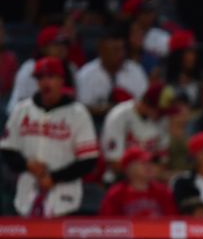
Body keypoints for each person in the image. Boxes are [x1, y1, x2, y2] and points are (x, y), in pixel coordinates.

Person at [0, 57, 98, 217]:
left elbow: (88, 160)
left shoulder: (78, 113)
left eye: (51, 77)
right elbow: (6, 148)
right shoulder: (22, 110)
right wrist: (26, 164)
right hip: (26, 196)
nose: (46, 83)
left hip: (66, 199)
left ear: (61, 80)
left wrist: (55, 177)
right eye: (41, 78)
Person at [101, 82, 174, 178]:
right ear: (147, 104)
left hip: (150, 179)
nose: (163, 116)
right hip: (119, 179)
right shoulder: (119, 116)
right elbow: (114, 163)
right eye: (160, 111)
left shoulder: (161, 120)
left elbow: (163, 161)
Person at [75, 27, 148, 122]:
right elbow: (82, 108)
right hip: (97, 122)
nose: (120, 54)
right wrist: (110, 109)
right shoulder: (86, 74)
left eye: (122, 49)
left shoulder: (135, 70)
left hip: (133, 120)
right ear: (101, 50)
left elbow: (145, 101)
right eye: (115, 50)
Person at [99, 147, 177, 217]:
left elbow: (173, 221)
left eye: (150, 163)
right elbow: (108, 224)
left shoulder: (163, 191)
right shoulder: (116, 194)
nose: (149, 166)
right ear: (130, 168)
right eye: (143, 163)